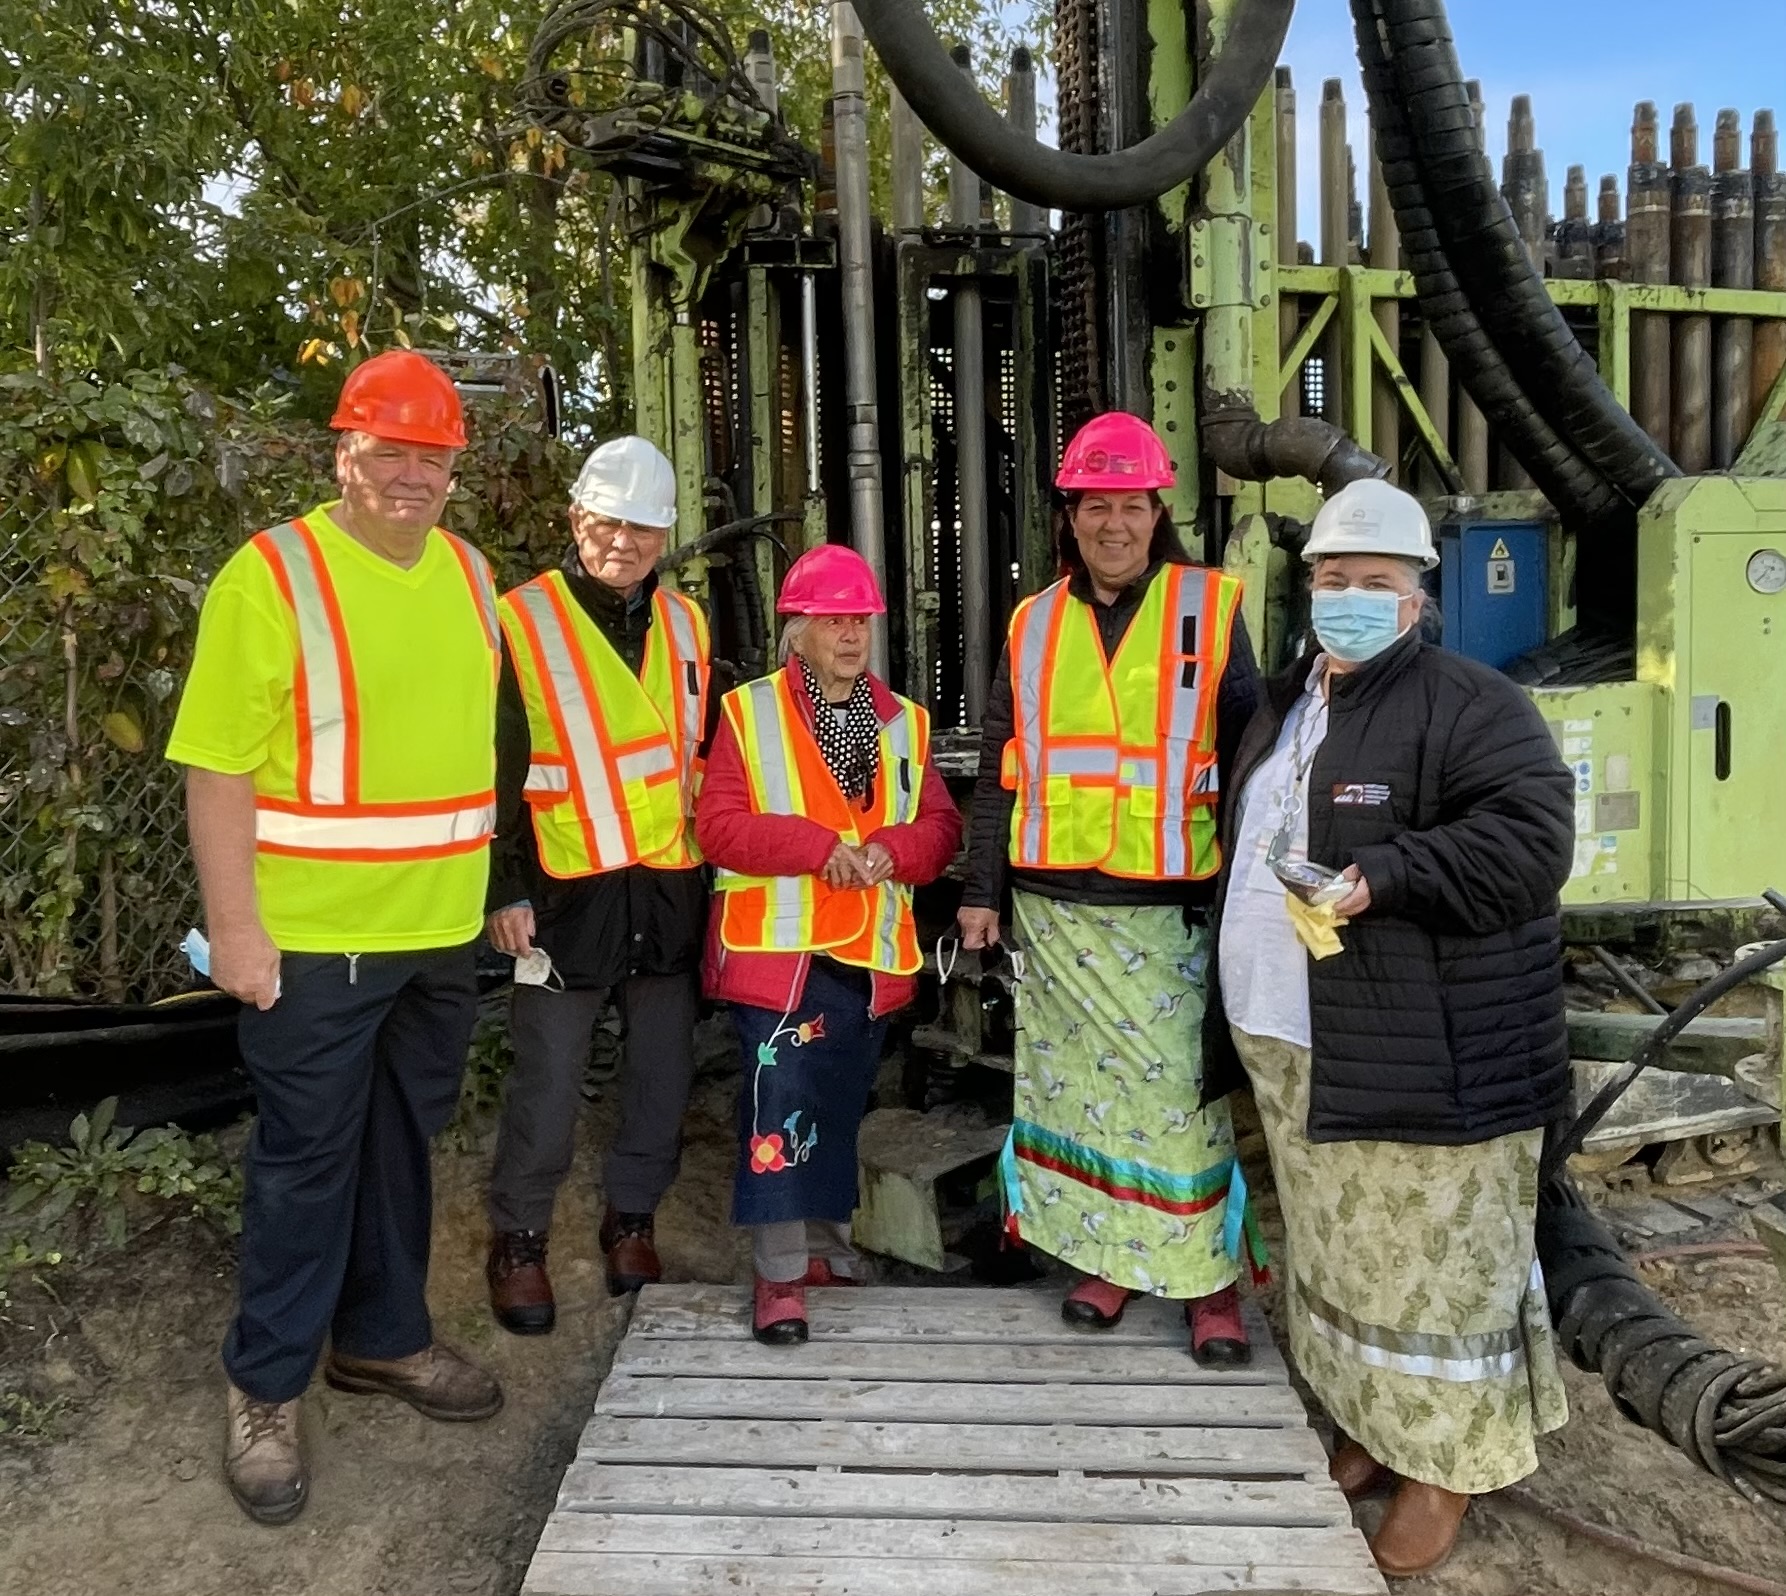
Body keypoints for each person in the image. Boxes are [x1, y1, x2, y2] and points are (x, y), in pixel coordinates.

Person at [166, 350, 505, 1527]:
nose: (413, 476)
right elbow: (214, 766)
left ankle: (382, 1340)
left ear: (457, 468)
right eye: (390, 452)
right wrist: (237, 929)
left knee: (403, 1146)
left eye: (434, 456)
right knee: (306, 1165)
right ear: (343, 455)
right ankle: (262, 1387)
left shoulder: (470, 575)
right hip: (310, 944)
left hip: (436, 937)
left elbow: (469, 754)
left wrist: (490, 901)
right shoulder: (272, 577)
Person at [1215, 477, 1573, 1579]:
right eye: (1334, 580)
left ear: (1418, 599)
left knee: (1439, 1269)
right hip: (1296, 1039)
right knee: (1339, 1257)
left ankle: (1447, 1467)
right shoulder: (1289, 699)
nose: (1352, 598)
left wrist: (1390, 872)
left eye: (1376, 584)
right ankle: (1371, 1429)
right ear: (1307, 590)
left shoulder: (1474, 705)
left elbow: (1530, 843)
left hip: (1426, 1056)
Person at [956, 411, 1264, 1365]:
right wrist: (982, 889)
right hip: (1054, 915)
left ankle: (1209, 1284)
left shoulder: (1210, 608)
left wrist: (1250, 894)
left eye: (1130, 504)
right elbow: (1001, 768)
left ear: (1156, 509)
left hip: (1169, 907)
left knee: (1183, 1104)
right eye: (1096, 505)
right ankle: (1110, 1259)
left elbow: (1254, 756)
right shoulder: (1032, 621)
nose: (1113, 524)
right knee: (1071, 1098)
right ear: (1071, 514)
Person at [695, 545, 961, 1344]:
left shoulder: (903, 721)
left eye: (860, 619)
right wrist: (817, 848)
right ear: (798, 631)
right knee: (779, 1105)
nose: (851, 635)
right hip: (780, 958)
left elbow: (941, 827)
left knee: (840, 1104)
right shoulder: (748, 714)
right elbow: (719, 828)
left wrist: (892, 851)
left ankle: (826, 1251)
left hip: (867, 958)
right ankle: (778, 1276)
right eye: (833, 620)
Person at [483, 437, 714, 1327]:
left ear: (665, 534)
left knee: (661, 1069)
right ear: (577, 518)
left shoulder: (689, 624)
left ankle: (632, 1218)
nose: (625, 540)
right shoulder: (520, 620)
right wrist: (504, 888)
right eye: (609, 521)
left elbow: (696, 756)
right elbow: (493, 763)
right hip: (561, 888)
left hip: (666, 879)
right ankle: (521, 1239)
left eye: (644, 526)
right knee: (548, 1073)